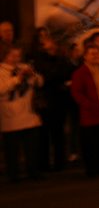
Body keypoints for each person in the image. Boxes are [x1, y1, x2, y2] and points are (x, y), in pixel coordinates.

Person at [29, 28, 75, 172]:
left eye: (48, 38)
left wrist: (59, 75)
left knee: (59, 132)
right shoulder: (37, 57)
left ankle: (59, 163)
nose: (47, 41)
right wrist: (58, 77)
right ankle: (43, 164)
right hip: (46, 99)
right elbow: (46, 76)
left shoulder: (61, 56)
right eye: (43, 38)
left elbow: (69, 72)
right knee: (44, 133)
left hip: (60, 99)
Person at [70, 42, 99, 177]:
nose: (95, 56)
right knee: (91, 144)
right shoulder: (80, 73)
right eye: (92, 54)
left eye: (97, 53)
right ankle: (91, 169)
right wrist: (88, 105)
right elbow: (77, 93)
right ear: (85, 56)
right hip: (90, 115)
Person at [1, 45, 45, 182]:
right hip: (11, 116)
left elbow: (40, 82)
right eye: (12, 56)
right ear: (4, 56)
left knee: (31, 146)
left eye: (18, 55)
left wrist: (34, 75)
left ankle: (33, 171)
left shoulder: (24, 67)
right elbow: (2, 89)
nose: (16, 59)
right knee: (12, 149)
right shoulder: (1, 71)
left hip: (29, 113)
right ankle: (13, 175)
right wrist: (17, 79)